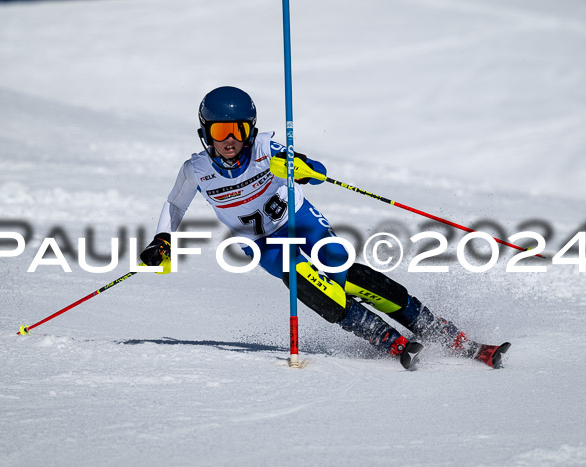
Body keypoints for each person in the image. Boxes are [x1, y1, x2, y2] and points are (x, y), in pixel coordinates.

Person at [140, 86, 510, 369]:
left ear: (250, 129)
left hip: (297, 220)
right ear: (206, 132)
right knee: (301, 278)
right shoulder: (195, 170)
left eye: (237, 130)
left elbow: (317, 172)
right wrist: (162, 241)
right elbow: (175, 204)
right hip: (260, 242)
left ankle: (442, 331)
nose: (230, 140)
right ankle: (385, 339)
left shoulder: (267, 149)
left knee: (340, 268)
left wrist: (300, 166)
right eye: (221, 131)